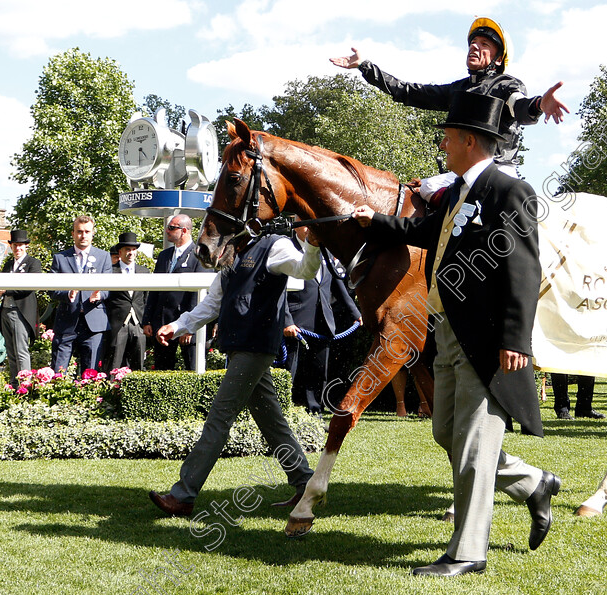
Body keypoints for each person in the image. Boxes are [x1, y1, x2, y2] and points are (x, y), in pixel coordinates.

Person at [353, 91, 560, 576]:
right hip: (446, 331)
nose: (442, 143)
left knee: (470, 444)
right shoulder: (456, 194)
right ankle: (534, 482)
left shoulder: (510, 193)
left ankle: (467, 551)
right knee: (447, 432)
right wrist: (376, 222)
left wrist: (515, 340)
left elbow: (524, 272)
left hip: (486, 340)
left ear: (470, 139)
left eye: (448, 136)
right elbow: (428, 234)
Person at [148, 230, 323, 516]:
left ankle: (183, 495)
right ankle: (305, 483)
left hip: (254, 348)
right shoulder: (231, 255)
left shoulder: (274, 245)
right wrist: (178, 326)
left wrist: (312, 246)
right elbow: (213, 303)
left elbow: (304, 270)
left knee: (219, 416)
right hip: (239, 347)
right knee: (271, 421)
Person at [330, 16, 568, 176]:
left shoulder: (507, 84)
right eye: (473, 42)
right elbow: (408, 92)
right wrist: (365, 66)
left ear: (498, 59)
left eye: (484, 44)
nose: (474, 46)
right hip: (462, 172)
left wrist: (539, 104)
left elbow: (521, 107)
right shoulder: (457, 89)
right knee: (416, 193)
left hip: (498, 171)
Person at [283, 223, 361, 414]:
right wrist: (286, 322)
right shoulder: (286, 249)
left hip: (323, 320)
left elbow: (337, 284)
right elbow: (279, 292)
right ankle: (282, 412)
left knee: (318, 370)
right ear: (295, 225)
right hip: (296, 323)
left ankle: (314, 412)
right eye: (304, 223)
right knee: (289, 370)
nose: (309, 228)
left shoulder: (324, 250)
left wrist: (356, 314)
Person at [142, 214, 211, 371]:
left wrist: (191, 327)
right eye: (168, 227)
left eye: (172, 228)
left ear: (185, 230)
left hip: (188, 325)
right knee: (162, 370)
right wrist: (147, 320)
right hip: (162, 324)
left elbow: (199, 296)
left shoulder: (200, 255)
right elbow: (155, 289)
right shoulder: (164, 256)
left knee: (193, 368)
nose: (167, 231)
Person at [48, 215, 111, 374]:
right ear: (73, 233)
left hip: (93, 323)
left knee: (91, 373)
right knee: (58, 372)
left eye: (87, 232)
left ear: (92, 233)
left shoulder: (104, 257)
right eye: (79, 232)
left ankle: (90, 399)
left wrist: (100, 295)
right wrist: (67, 293)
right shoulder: (60, 258)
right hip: (67, 322)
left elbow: (109, 287)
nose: (83, 235)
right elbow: (51, 289)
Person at [0, 229, 42, 387]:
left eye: (20, 245)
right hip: (6, 310)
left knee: (21, 350)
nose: (17, 248)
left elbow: (29, 287)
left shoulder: (33, 263)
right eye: (14, 245)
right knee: (10, 350)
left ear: (26, 246)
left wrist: (6, 290)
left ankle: (25, 385)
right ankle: (14, 384)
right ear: (11, 246)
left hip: (21, 312)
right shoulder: (8, 264)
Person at [104, 232, 150, 372]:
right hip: (117, 324)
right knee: (114, 365)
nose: (131, 253)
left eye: (133, 249)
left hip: (138, 324)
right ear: (120, 251)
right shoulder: (110, 272)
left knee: (138, 367)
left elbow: (147, 299)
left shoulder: (144, 272)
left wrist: (147, 322)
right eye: (127, 249)